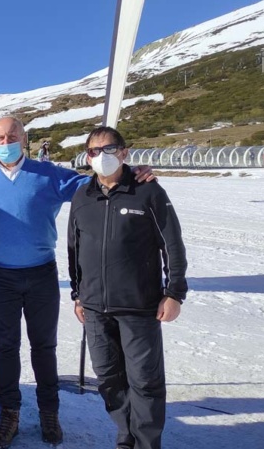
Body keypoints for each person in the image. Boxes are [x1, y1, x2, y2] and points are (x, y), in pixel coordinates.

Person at [0, 117, 154, 449]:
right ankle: (10, 413)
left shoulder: (47, 175)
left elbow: (95, 182)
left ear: (24, 138)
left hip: (40, 275)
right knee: (6, 347)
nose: (6, 141)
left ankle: (50, 411)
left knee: (43, 347)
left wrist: (131, 172)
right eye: (0, 138)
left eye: (12, 136)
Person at [68, 126, 187, 449]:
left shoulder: (148, 191)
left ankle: (147, 442)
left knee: (145, 381)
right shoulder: (82, 196)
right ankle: (126, 434)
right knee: (108, 378)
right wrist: (77, 293)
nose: (101, 157)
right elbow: (74, 249)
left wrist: (174, 292)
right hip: (94, 307)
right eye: (94, 151)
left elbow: (171, 244)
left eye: (109, 149)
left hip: (138, 305)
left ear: (123, 153)